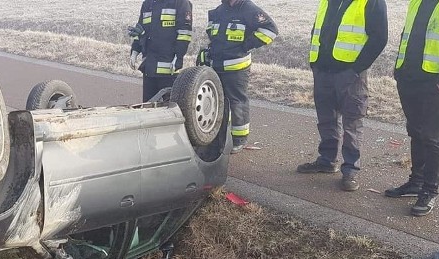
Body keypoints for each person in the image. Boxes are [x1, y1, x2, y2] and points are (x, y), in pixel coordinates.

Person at [296, 0, 388, 192]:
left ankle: (350, 169)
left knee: (352, 122)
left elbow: (379, 38)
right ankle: (327, 160)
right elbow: (318, 30)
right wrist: (316, 63)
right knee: (326, 119)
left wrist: (356, 68)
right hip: (323, 70)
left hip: (350, 73)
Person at [386, 0, 439, 217]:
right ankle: (416, 183)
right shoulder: (416, 2)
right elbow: (407, 35)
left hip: (434, 83)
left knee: (434, 138)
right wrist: (398, 70)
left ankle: (429, 191)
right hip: (409, 78)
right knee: (416, 132)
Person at [200, 0, 277, 153]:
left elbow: (270, 30)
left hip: (237, 66)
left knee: (236, 102)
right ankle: (221, 137)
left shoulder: (248, 8)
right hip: (217, 65)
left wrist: (245, 46)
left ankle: (238, 140)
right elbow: (213, 35)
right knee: (219, 102)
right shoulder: (218, 10)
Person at [128, 0, 194, 102]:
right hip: (149, 68)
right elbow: (139, 29)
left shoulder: (180, 3)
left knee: (168, 109)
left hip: (168, 70)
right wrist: (135, 51)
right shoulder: (148, 4)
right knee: (148, 108)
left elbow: (184, 33)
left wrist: (178, 56)